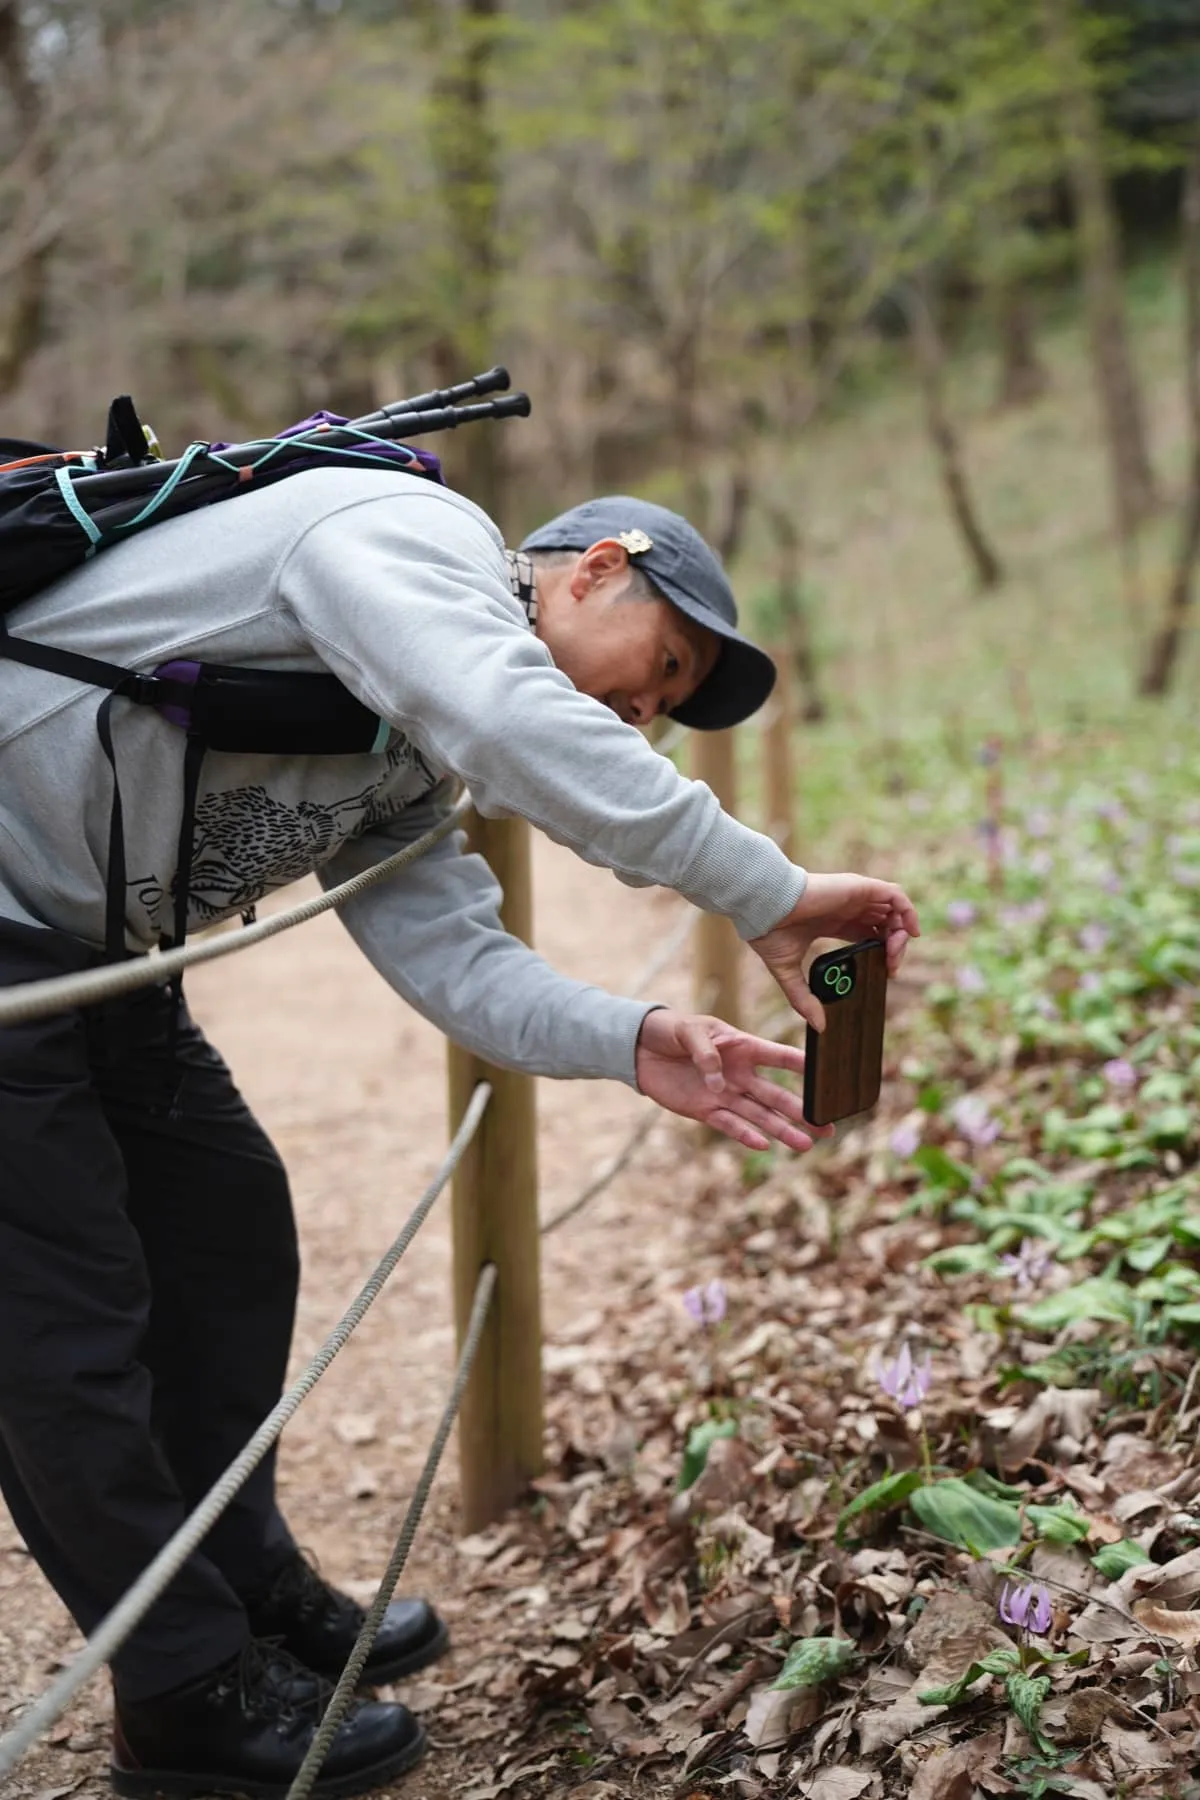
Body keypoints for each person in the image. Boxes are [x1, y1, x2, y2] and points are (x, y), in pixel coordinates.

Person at [0, 472, 919, 1798]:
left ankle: (241, 1581)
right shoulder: (392, 536)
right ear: (594, 566)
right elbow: (514, 717)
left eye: (665, 704)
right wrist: (767, 892)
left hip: (92, 945)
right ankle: (181, 1689)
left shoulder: (409, 749)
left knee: (227, 1223)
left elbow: (456, 961)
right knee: (63, 1319)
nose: (645, 711)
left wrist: (638, 1035)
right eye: (660, 665)